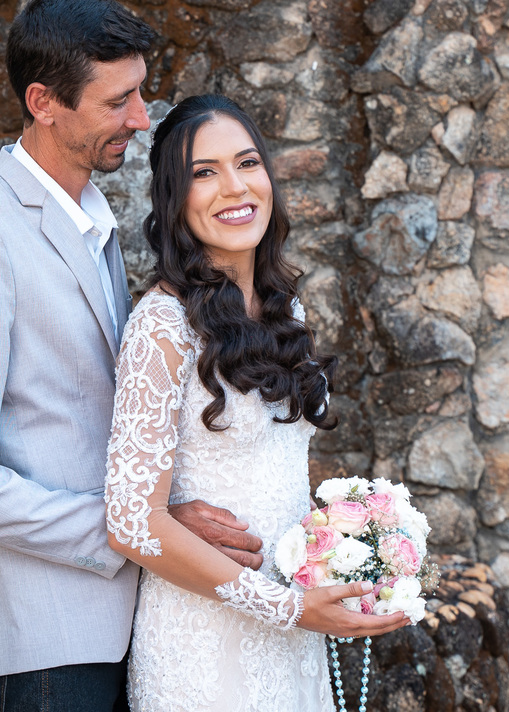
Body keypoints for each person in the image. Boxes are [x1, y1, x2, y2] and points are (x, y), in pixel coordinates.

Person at [0, 0, 266, 712]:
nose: (141, 118)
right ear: (44, 102)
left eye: (139, 95)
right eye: (118, 101)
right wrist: (130, 531)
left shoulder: (91, 221)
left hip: (129, 626)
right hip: (49, 638)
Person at [104, 95, 412, 711]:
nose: (234, 187)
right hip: (202, 646)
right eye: (204, 172)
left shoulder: (285, 311)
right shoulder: (161, 327)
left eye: (247, 162)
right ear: (173, 199)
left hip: (296, 637)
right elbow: (133, 522)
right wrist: (286, 606)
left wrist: (348, 547)